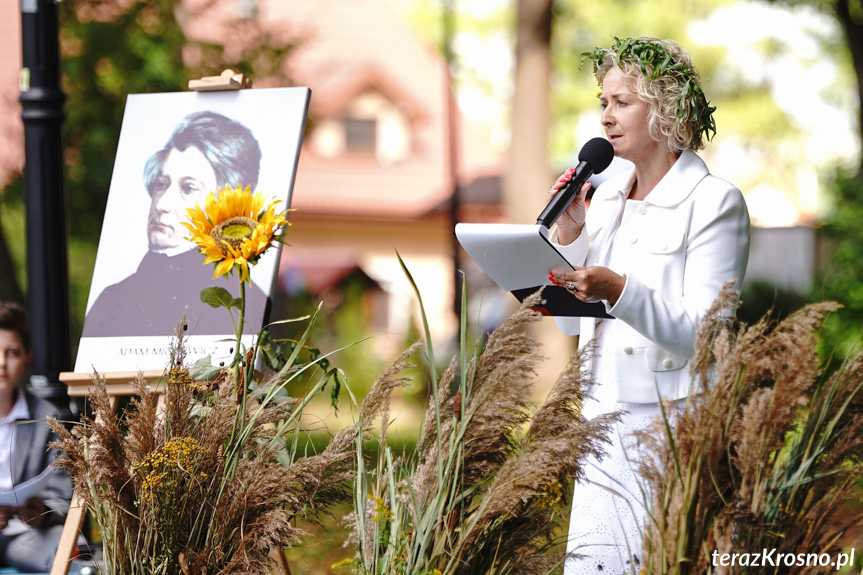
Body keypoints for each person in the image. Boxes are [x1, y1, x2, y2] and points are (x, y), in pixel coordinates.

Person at [546, 38, 750, 574]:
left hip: (663, 431)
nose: (605, 117)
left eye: (622, 102)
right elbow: (574, 322)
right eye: (603, 102)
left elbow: (703, 336)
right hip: (598, 425)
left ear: (664, 108)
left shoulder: (713, 202)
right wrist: (568, 237)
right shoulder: (606, 197)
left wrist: (618, 289)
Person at [82, 111, 270, 337]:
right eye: (161, 184)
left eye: (188, 188)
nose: (162, 204)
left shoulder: (248, 311)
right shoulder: (112, 302)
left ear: (227, 205)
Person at [0, 301, 73, 571]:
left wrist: (42, 514)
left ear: (28, 357)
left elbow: (63, 497)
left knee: (61, 552)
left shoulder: (46, 417)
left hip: (27, 534)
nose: (1, 363)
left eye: (12, 353)